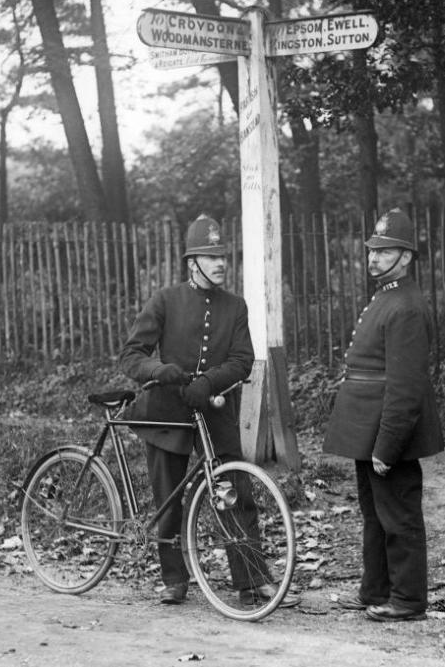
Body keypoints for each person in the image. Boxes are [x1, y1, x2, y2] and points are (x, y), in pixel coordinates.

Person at [119, 213, 299, 608]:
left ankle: (251, 581)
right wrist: (161, 371)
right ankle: (173, 580)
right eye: (210, 256)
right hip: (165, 412)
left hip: (214, 412)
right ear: (191, 262)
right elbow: (131, 356)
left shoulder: (235, 307)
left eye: (222, 256)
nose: (220, 263)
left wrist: (208, 383)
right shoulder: (165, 300)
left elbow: (242, 359)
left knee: (236, 492)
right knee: (168, 498)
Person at [324, 207, 445, 622]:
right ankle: (375, 589)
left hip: (387, 431)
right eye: (372, 250)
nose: (373, 258)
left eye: (385, 251)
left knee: (398, 514)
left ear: (407, 257)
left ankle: (408, 599)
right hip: (366, 427)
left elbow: (406, 387)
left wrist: (388, 444)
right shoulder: (388, 295)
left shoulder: (407, 306)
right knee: (374, 514)